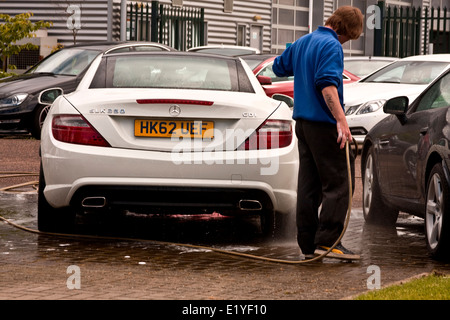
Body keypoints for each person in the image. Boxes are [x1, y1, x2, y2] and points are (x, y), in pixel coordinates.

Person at [272, 6, 364, 259]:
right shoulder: (331, 45)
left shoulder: (304, 41)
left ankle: (307, 243)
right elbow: (326, 86)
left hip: (302, 124)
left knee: (309, 185)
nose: (345, 43)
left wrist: (297, 50)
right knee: (339, 183)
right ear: (345, 30)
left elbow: (279, 67)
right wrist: (342, 122)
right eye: (349, 38)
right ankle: (328, 241)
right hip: (323, 125)